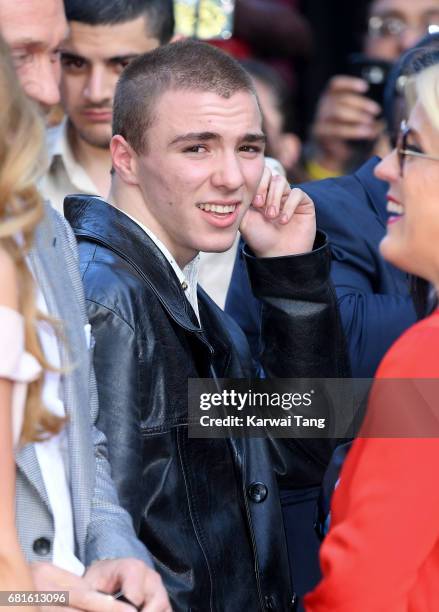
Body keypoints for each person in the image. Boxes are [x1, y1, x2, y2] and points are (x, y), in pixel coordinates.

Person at [65, 40, 349, 610]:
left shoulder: (183, 299)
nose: (231, 177)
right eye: (197, 147)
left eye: (247, 148)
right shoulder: (110, 301)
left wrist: (291, 276)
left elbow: (295, 449)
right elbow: (105, 534)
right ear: (124, 157)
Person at [0, 1, 170, 609]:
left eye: (55, 53)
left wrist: (116, 549)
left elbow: (78, 436)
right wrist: (34, 597)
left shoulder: (46, 228)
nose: (56, 90)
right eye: (21, 56)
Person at [305, 58, 439, 611]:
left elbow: (360, 592)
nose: (385, 168)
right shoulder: (323, 209)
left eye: (410, 148)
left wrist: (199, 410)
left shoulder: (423, 356)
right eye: (195, 146)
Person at [41, 0, 175, 212]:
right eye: (75, 63)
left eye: (124, 65)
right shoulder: (14, 173)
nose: (95, 93)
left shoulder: (222, 173)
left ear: (174, 57)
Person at [308, 0, 439, 178]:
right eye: (389, 27)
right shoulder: (350, 126)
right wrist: (328, 159)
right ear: (363, 40)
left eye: (433, 25)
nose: (408, 42)